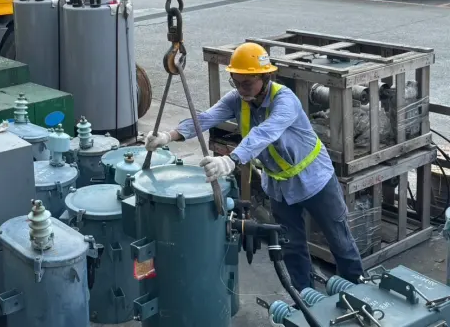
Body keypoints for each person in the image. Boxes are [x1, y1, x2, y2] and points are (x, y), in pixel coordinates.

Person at [145, 42, 363, 291]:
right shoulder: (237, 99)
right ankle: (305, 299)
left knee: (340, 242)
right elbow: (205, 118)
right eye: (236, 82)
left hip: (315, 180)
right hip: (280, 187)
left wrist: (231, 159)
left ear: (266, 77)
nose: (240, 89)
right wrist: (167, 136)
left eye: (246, 83)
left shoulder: (285, 100)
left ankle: (357, 293)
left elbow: (264, 133)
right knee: (291, 247)